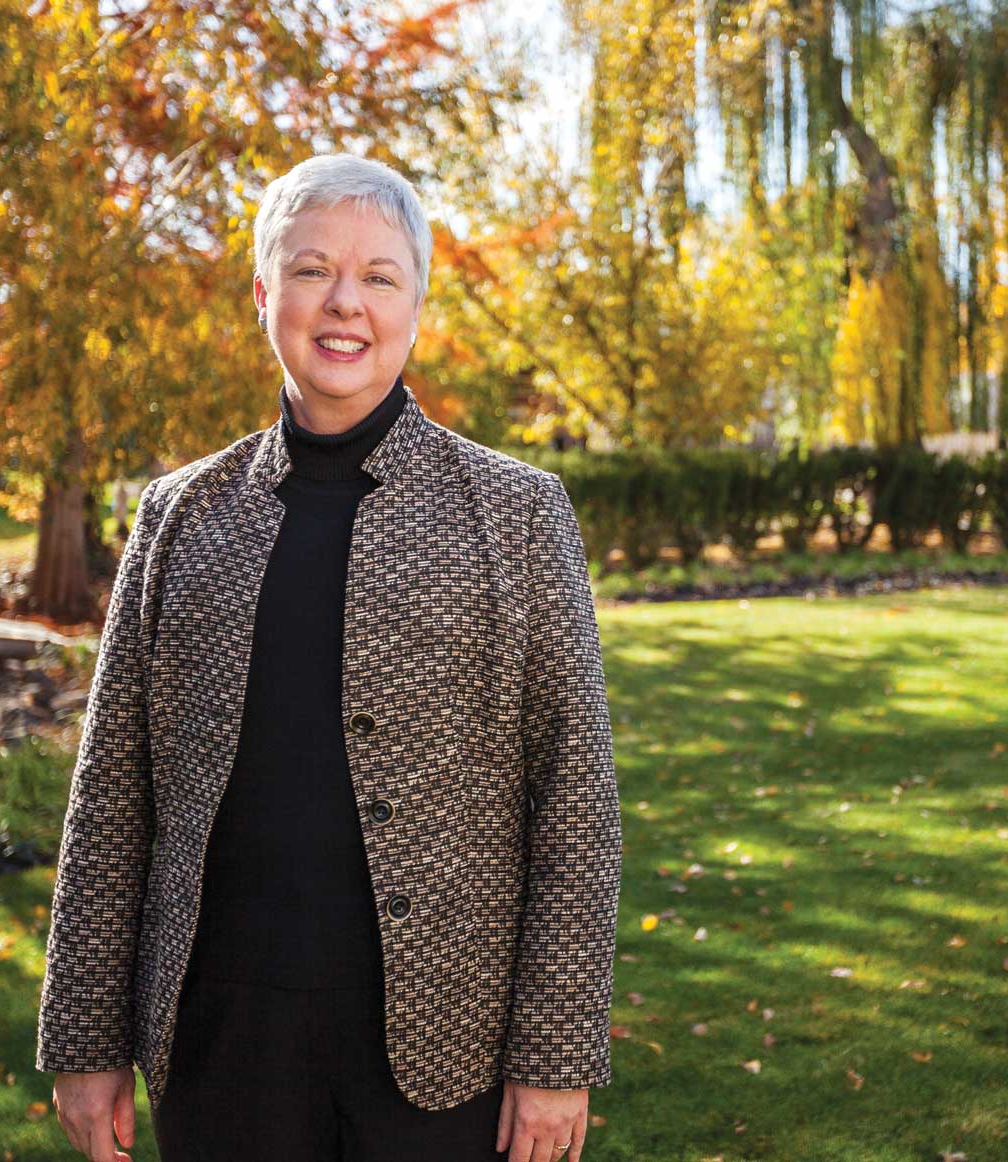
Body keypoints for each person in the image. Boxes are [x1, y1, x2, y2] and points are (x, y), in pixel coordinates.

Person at [35, 153, 622, 1162]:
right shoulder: (179, 515)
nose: (344, 303)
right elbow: (111, 797)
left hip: (449, 1061)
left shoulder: (518, 514)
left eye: (379, 276)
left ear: (416, 306)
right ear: (266, 295)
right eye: (311, 271)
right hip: (224, 1049)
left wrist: (556, 1054)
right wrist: (86, 1037)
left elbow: (574, 796)